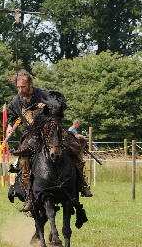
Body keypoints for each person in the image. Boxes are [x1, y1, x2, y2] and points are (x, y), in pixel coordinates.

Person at [6, 70, 92, 212]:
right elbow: (12, 116)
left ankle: (81, 183)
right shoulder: (16, 101)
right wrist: (10, 126)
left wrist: (46, 106)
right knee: (24, 158)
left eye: (23, 87)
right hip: (31, 134)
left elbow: (60, 106)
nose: (21, 90)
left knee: (74, 146)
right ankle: (29, 196)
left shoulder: (43, 94)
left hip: (51, 130)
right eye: (18, 87)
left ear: (30, 84)